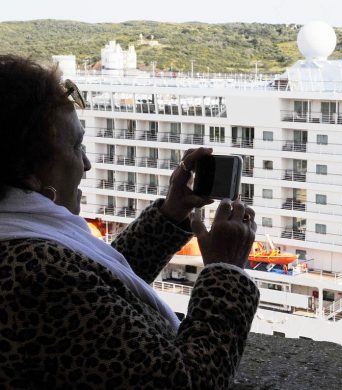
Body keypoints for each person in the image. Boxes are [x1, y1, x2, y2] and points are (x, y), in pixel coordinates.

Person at [0, 55, 259, 389]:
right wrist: (226, 271)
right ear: (29, 171)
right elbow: (186, 382)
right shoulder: (36, 273)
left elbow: (98, 290)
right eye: (77, 146)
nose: (87, 163)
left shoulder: (22, 241)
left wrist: (170, 214)